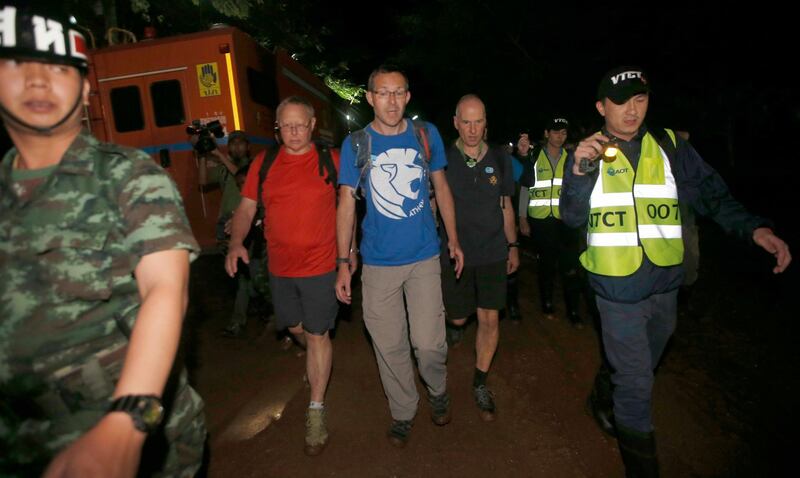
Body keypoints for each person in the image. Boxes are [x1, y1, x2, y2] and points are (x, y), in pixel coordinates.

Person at [0, 5, 206, 476]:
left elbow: (165, 288)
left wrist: (127, 421)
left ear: (87, 89)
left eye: (57, 68)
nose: (37, 81)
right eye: (18, 64)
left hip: (136, 442)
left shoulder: (127, 177)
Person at [560, 65, 791, 477]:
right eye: (620, 101)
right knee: (636, 385)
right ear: (600, 107)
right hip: (616, 291)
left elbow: (711, 194)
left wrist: (754, 228)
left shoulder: (669, 146)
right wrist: (578, 172)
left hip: (666, 286)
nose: (632, 110)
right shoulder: (587, 152)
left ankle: (602, 391)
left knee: (643, 362)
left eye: (640, 99)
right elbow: (571, 217)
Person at [335, 65, 464, 448]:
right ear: (371, 98)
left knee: (428, 344)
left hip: (424, 256)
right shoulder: (357, 144)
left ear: (407, 97)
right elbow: (345, 202)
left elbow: (441, 187)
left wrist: (453, 240)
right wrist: (343, 261)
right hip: (377, 263)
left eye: (398, 92)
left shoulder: (426, 135)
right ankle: (403, 410)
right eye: (383, 93)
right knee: (389, 345)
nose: (391, 101)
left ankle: (437, 388)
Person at [225, 95, 339, 456]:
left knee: (318, 334)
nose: (293, 131)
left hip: (322, 265)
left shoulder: (331, 160)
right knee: (295, 328)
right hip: (280, 268)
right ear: (277, 129)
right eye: (286, 125)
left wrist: (350, 256)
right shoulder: (264, 163)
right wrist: (236, 243)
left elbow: (355, 200)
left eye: (299, 124)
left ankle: (316, 410)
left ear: (311, 126)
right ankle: (313, 359)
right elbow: (245, 208)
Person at [440, 94, 519, 421]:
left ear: (486, 123)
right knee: (458, 317)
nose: (472, 129)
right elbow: (434, 203)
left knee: (489, 318)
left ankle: (480, 380)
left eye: (479, 121)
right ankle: (456, 324)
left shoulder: (500, 159)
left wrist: (512, 245)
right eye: (466, 122)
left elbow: (506, 207)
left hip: (491, 251)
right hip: (456, 252)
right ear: (456, 122)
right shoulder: (442, 159)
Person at [518, 117, 585, 326]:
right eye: (555, 132)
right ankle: (547, 302)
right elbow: (525, 187)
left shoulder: (571, 157)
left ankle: (573, 310)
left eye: (564, 132)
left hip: (565, 221)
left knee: (570, 267)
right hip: (541, 221)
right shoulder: (535, 156)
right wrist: (522, 217)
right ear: (547, 133)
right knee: (546, 265)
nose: (560, 136)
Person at [198, 130, 264, 337]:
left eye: (239, 143)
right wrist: (201, 154)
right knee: (240, 272)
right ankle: (251, 309)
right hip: (225, 222)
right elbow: (202, 182)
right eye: (232, 144)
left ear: (247, 146)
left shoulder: (253, 165)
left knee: (251, 272)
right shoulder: (223, 168)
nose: (235, 147)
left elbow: (241, 176)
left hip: (247, 222)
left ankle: (242, 318)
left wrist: (219, 156)